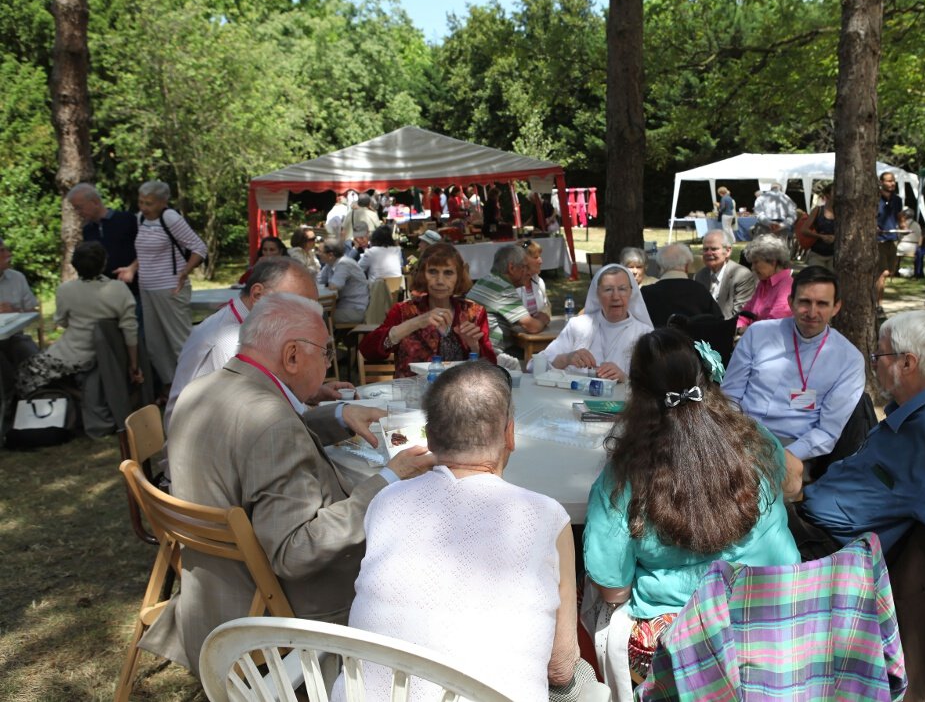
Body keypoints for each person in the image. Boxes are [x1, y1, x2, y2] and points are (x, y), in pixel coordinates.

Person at [138, 293, 434, 671]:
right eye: (326, 352)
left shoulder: (201, 391)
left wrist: (339, 415)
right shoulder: (273, 425)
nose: (329, 363)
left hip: (212, 596)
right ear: (292, 355)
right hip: (282, 607)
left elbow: (254, 443)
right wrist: (389, 480)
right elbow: (297, 551)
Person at [334, 361, 593, 701]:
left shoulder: (387, 502)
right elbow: (559, 667)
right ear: (510, 435)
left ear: (430, 436)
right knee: (585, 680)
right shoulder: (547, 517)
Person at [584, 328, 800, 678]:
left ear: (637, 394)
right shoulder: (756, 440)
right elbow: (793, 480)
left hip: (683, 643)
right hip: (776, 614)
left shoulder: (624, 476)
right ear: (706, 376)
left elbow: (612, 588)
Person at [797, 310, 925, 594]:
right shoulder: (916, 410)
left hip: (827, 551)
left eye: (880, 355)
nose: (874, 363)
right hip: (812, 522)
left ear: (907, 363)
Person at [721, 266, 864, 466]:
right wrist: (733, 437)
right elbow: (730, 395)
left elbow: (827, 432)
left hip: (796, 449)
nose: (812, 312)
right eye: (805, 302)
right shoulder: (758, 334)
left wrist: (781, 457)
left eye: (822, 304)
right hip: (741, 434)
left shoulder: (849, 359)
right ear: (791, 302)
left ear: (836, 307)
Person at [165, 258, 321, 433]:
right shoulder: (232, 340)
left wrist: (312, 392)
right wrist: (338, 414)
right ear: (258, 296)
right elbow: (282, 418)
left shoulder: (250, 329)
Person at [114, 180, 207, 393]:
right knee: (156, 345)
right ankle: (173, 388)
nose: (144, 208)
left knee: (179, 343)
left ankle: (197, 389)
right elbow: (146, 252)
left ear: (163, 202)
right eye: (141, 202)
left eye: (149, 203)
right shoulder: (141, 219)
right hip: (147, 288)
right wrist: (132, 268)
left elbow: (199, 248)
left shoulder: (170, 218)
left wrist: (185, 271)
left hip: (170, 288)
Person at [15, 242, 139, 397]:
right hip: (106, 352)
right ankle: (78, 396)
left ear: (75, 265)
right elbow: (130, 330)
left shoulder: (66, 290)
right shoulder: (119, 289)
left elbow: (62, 321)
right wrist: (133, 363)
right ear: (104, 263)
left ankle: (68, 398)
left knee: (26, 370)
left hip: (70, 355)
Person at [361, 243, 496, 377]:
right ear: (422, 275)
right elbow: (368, 351)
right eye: (432, 272)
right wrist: (415, 323)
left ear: (458, 277)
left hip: (459, 394)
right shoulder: (404, 311)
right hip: (412, 394)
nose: (440, 281)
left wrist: (474, 347)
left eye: (448, 273)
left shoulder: (473, 313)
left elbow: (491, 370)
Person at [542, 264, 653, 382]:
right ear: (597, 294)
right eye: (608, 289)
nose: (615, 297)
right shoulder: (578, 326)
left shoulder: (645, 334)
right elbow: (535, 365)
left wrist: (624, 378)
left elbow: (655, 385)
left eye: (622, 289)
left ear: (631, 292)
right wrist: (566, 359)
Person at [466, 245, 549, 356]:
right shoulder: (503, 288)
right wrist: (543, 318)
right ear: (511, 268)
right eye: (525, 267)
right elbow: (532, 327)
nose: (529, 273)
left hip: (476, 348)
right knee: (542, 357)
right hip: (492, 354)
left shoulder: (485, 280)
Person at [67, 182, 139, 301]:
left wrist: (132, 268)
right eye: (75, 209)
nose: (78, 212)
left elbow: (148, 249)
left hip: (133, 291)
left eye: (79, 207)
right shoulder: (87, 230)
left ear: (95, 202)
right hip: (104, 295)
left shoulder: (126, 220)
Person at [640, 243, 722, 328]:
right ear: (687, 266)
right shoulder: (700, 290)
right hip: (693, 340)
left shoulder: (647, 293)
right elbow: (718, 321)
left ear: (659, 267)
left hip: (658, 340)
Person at [0, 237, 40, 393]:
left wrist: (16, 311)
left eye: (6, 249)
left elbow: (33, 310)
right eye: (1, 251)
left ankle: (39, 398)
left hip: (14, 338)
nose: (8, 254)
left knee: (31, 354)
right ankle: (10, 405)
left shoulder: (17, 278)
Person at [736, 234, 793, 332]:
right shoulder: (763, 283)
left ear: (772, 262)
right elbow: (746, 312)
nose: (752, 267)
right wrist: (737, 327)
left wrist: (745, 331)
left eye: (756, 262)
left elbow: (774, 324)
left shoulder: (787, 286)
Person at [694, 230, 756, 319]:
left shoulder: (741, 275)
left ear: (728, 251)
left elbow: (740, 314)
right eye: (705, 249)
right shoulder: (700, 276)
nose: (708, 253)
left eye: (714, 249)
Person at [317, 238, 369, 323]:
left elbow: (334, 286)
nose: (317, 253)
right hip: (341, 306)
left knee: (317, 317)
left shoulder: (343, 263)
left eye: (319, 251)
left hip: (355, 310)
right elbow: (318, 281)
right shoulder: (330, 264)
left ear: (330, 255)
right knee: (315, 313)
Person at [802, 182, 837, 270]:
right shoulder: (818, 210)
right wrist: (821, 236)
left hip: (834, 256)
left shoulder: (842, 213)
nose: (838, 193)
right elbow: (804, 230)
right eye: (835, 191)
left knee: (831, 281)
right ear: (828, 195)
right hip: (817, 254)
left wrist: (835, 237)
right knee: (817, 279)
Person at [876, 171, 903, 277]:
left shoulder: (897, 200)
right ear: (881, 182)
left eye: (894, 181)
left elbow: (900, 217)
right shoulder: (874, 198)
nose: (892, 183)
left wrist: (904, 227)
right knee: (883, 273)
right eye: (889, 181)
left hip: (892, 239)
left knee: (890, 272)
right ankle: (878, 294)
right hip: (878, 241)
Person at [516, 240, 551, 317]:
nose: (540, 261)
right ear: (522, 261)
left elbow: (546, 310)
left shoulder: (539, 282)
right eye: (536, 257)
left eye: (540, 256)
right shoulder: (510, 287)